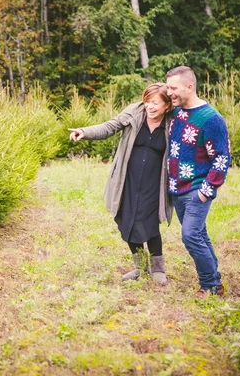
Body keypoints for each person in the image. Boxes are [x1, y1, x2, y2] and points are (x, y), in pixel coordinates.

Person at [69, 83, 173, 285]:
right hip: (128, 179)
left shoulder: (172, 122)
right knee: (127, 220)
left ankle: (158, 269)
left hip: (154, 182)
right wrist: (85, 131)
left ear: (167, 106)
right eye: (147, 101)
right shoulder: (134, 113)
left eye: (155, 103)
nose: (149, 107)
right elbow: (110, 126)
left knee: (149, 223)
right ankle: (140, 267)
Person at [165, 66, 231, 298]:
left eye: (173, 88)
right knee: (199, 234)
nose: (169, 92)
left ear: (189, 87)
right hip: (177, 189)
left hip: (197, 188)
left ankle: (209, 286)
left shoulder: (211, 119)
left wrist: (207, 189)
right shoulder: (176, 113)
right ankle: (216, 283)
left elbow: (222, 157)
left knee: (190, 235)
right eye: (168, 87)